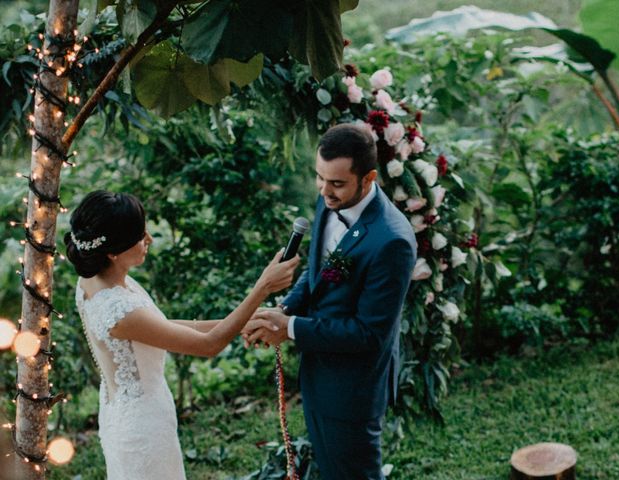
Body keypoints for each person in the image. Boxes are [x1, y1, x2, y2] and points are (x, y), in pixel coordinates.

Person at [64, 190, 299, 480]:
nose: (148, 239)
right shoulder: (117, 308)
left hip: (126, 414)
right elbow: (208, 345)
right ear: (112, 251)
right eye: (140, 236)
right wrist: (262, 287)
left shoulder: (96, 280)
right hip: (142, 431)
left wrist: (244, 320)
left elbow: (162, 327)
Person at [243, 124, 417, 479]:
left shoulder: (392, 242)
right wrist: (285, 309)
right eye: (319, 179)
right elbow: (317, 273)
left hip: (354, 389)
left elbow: (369, 334)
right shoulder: (329, 201)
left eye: (336, 183)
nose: (324, 191)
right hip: (318, 374)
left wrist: (289, 329)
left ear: (368, 178)